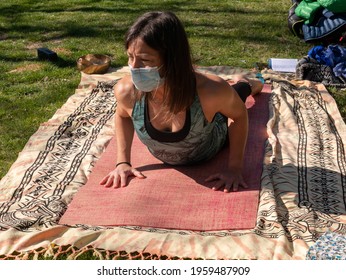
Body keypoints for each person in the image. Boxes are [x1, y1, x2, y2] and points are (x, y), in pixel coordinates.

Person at [99, 11, 263, 192]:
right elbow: (122, 115)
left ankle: (247, 83)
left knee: (237, 93)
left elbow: (239, 116)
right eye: (130, 57)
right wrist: (122, 162)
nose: (134, 68)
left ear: (172, 60)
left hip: (213, 137)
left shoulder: (210, 92)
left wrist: (235, 169)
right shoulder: (126, 91)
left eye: (145, 60)